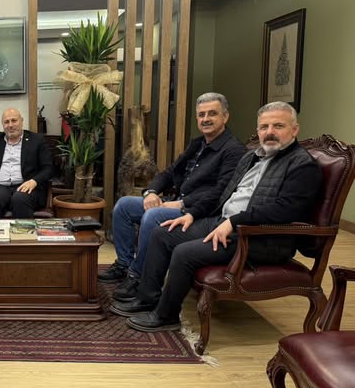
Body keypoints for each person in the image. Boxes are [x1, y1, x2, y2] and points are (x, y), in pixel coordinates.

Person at [111, 102, 323, 332]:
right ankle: (147, 298)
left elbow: (285, 209)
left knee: (184, 252)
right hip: (225, 223)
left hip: (260, 238)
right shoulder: (251, 157)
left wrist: (233, 222)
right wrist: (192, 214)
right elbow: (221, 194)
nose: (269, 132)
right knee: (163, 233)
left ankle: (166, 315)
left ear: (294, 129)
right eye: (264, 127)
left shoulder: (302, 165)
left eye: (278, 126)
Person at [99, 92, 246, 301]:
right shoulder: (197, 144)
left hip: (201, 212)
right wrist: (151, 192)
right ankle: (124, 265)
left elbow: (221, 192)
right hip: (177, 202)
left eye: (212, 114)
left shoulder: (234, 150)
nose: (206, 119)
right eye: (201, 114)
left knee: (152, 216)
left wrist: (182, 204)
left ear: (225, 116)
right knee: (124, 206)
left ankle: (138, 277)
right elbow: (169, 173)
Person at [0, 108, 53, 219]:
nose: (10, 125)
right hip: (0, 187)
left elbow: (48, 168)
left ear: (21, 121)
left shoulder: (36, 140)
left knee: (20, 199)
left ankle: (23, 231)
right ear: (3, 125)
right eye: (6, 122)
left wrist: (34, 181)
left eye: (14, 120)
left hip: (26, 186)